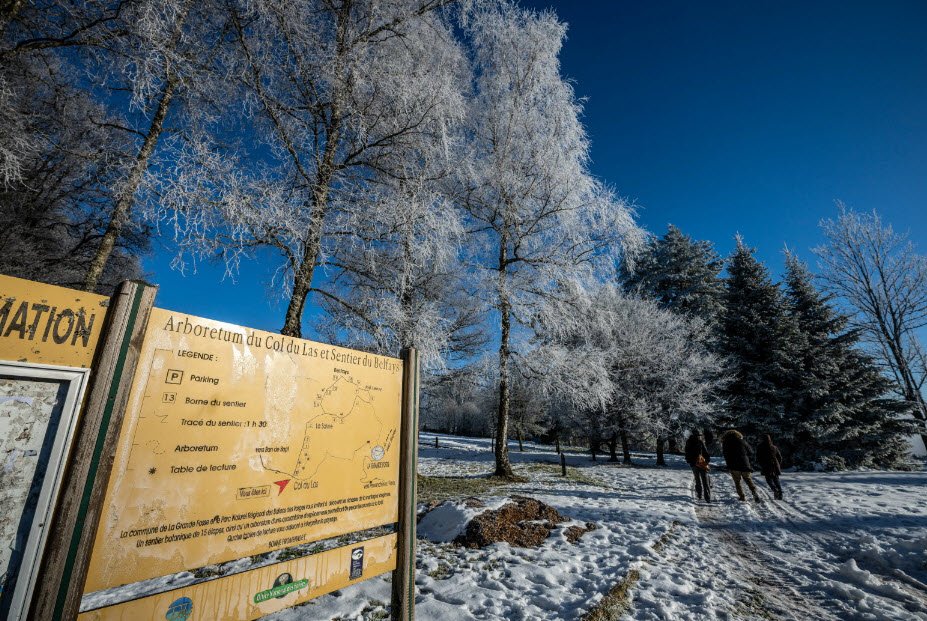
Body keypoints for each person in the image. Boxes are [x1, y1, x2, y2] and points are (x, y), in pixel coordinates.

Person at [721, 429, 760, 502]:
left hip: (734, 465)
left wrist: (728, 464)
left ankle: (742, 496)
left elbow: (725, 454)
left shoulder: (726, 443)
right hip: (745, 464)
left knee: (737, 482)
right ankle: (754, 492)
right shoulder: (742, 441)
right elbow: (751, 452)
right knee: (748, 479)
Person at [684, 430, 712, 502]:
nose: (699, 436)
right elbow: (705, 452)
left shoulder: (688, 442)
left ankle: (699, 495)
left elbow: (686, 453)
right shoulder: (700, 442)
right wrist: (707, 461)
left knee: (697, 479)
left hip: (694, 464)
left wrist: (689, 461)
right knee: (705, 480)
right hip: (701, 463)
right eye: (699, 435)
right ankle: (707, 497)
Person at [756, 434, 784, 500]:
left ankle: (775, 490)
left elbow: (758, 457)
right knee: (776, 480)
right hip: (775, 466)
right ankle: (780, 495)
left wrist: (761, 464)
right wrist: (778, 464)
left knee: (769, 480)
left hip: (766, 466)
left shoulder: (760, 447)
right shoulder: (774, 447)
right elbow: (780, 457)